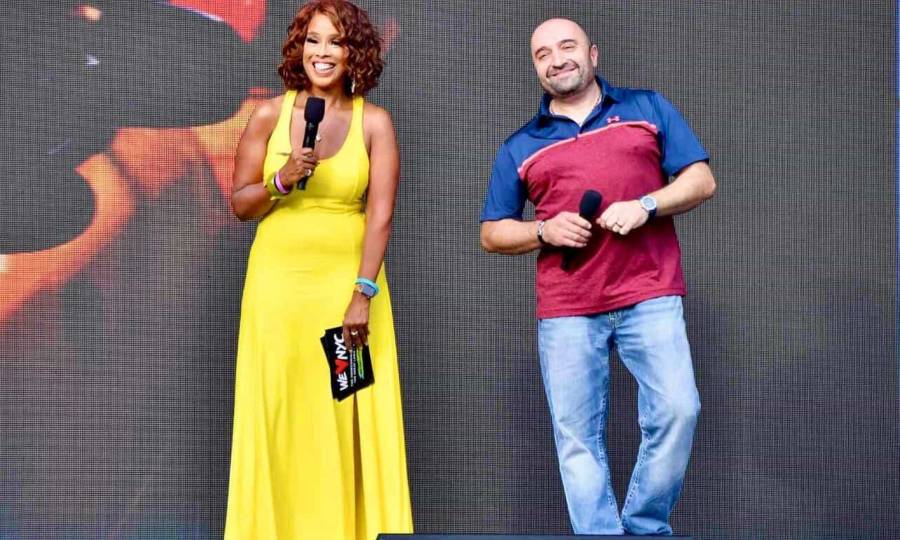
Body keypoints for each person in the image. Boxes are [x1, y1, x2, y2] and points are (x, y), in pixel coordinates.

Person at [480, 18, 716, 536]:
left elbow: (701, 179)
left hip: (649, 292)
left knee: (679, 409)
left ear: (593, 54)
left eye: (567, 46)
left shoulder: (647, 108)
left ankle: (644, 528)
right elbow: (492, 233)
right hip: (567, 307)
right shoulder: (521, 145)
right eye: (542, 53)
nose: (556, 59)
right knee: (577, 438)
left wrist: (646, 205)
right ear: (535, 67)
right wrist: (542, 230)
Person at [225, 1, 413, 538]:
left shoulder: (374, 122)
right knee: (278, 413)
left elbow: (380, 216)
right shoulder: (269, 115)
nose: (322, 52)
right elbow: (240, 204)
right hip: (276, 292)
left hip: (346, 294)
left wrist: (362, 294)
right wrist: (281, 180)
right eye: (313, 40)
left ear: (355, 52)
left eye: (336, 41)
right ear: (298, 49)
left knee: (345, 408)